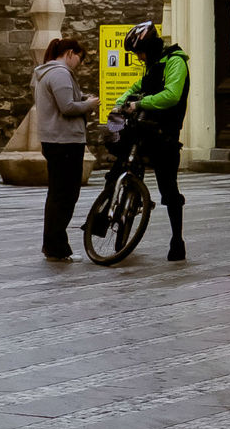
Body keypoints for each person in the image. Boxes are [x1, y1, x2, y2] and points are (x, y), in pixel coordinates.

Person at [114, 21, 190, 262]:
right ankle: (112, 211)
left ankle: (177, 240)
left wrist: (139, 104)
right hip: (143, 130)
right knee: (119, 168)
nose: (138, 57)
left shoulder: (175, 62)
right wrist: (121, 100)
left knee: (169, 191)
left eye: (140, 52)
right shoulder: (152, 64)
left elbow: (171, 95)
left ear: (151, 46)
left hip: (165, 134)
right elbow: (138, 86)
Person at [32, 37, 100, 262]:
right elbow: (67, 107)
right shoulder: (60, 73)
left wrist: (81, 98)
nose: (79, 63)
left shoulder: (47, 73)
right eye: (80, 58)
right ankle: (56, 246)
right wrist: (89, 105)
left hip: (55, 140)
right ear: (70, 53)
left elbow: (63, 99)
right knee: (66, 195)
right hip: (65, 141)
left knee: (58, 194)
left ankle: (53, 244)